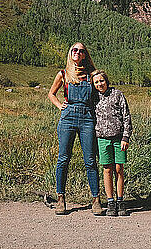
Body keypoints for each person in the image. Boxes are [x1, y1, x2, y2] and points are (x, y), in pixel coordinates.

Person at [48, 42, 102, 216]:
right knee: (63, 159)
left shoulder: (91, 75)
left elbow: (101, 91)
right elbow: (51, 93)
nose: (77, 52)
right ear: (70, 53)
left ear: (85, 55)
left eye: (81, 51)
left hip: (87, 118)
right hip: (68, 118)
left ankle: (96, 200)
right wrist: (59, 105)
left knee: (90, 161)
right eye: (74, 50)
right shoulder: (63, 74)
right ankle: (61, 199)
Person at [92, 70, 132, 216]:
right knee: (107, 169)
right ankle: (110, 201)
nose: (99, 84)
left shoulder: (118, 94)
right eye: (96, 82)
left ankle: (120, 200)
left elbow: (126, 116)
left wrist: (125, 137)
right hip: (102, 138)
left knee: (118, 168)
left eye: (101, 81)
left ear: (106, 81)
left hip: (118, 138)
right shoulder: (94, 97)